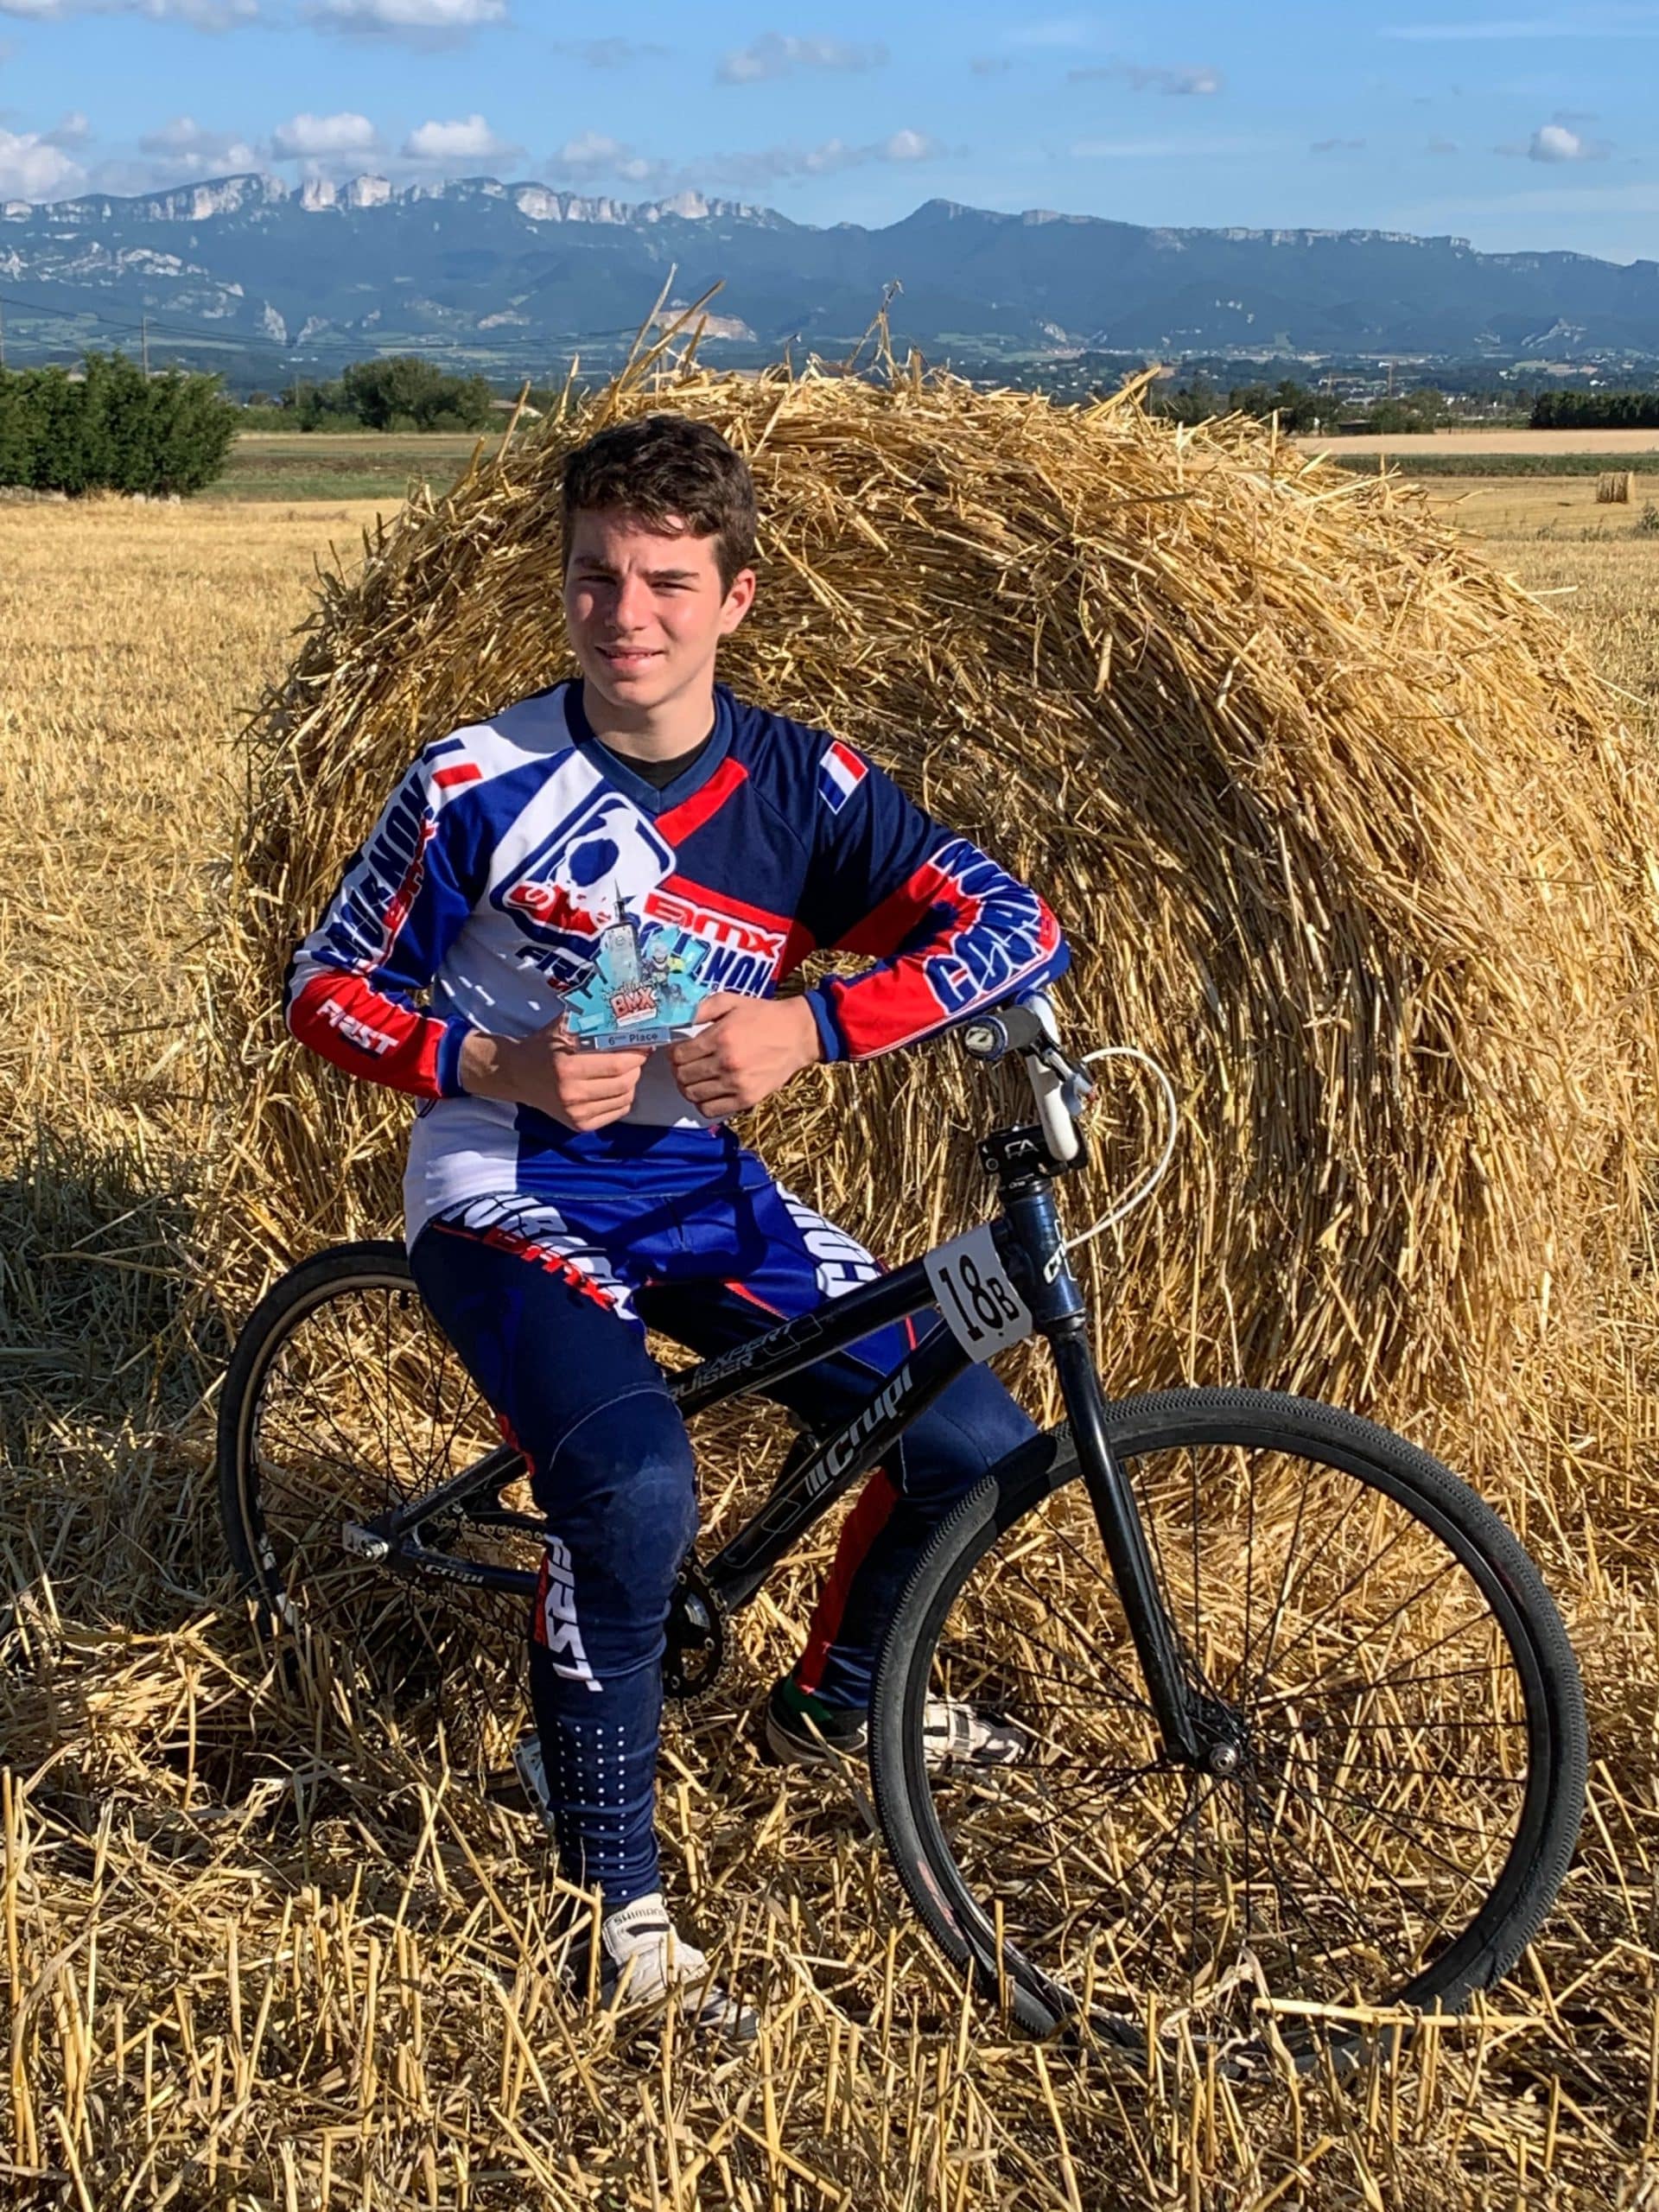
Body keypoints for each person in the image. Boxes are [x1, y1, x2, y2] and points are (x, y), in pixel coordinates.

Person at [283, 413, 1069, 2036]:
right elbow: (321, 989)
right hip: (507, 1182)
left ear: (736, 598)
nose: (623, 614)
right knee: (638, 1497)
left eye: (663, 582)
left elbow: (1014, 920)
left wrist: (824, 1024)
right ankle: (610, 1906)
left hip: (710, 1192)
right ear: (561, 583)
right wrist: (480, 1055)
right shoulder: (469, 782)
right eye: (593, 577)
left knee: (976, 1442)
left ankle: (843, 1705)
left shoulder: (806, 785)